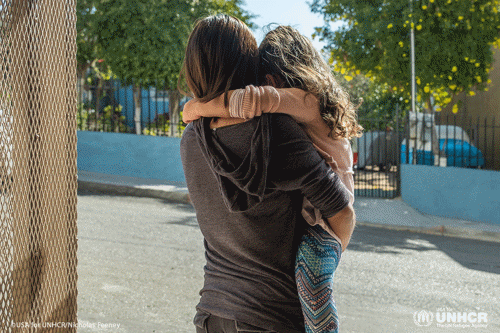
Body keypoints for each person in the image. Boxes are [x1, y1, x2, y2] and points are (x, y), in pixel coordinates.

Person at [180, 15, 355, 333]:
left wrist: (194, 108)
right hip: (271, 317)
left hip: (211, 314)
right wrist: (331, 251)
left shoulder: (191, 139)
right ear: (245, 66)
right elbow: (342, 211)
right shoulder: (273, 129)